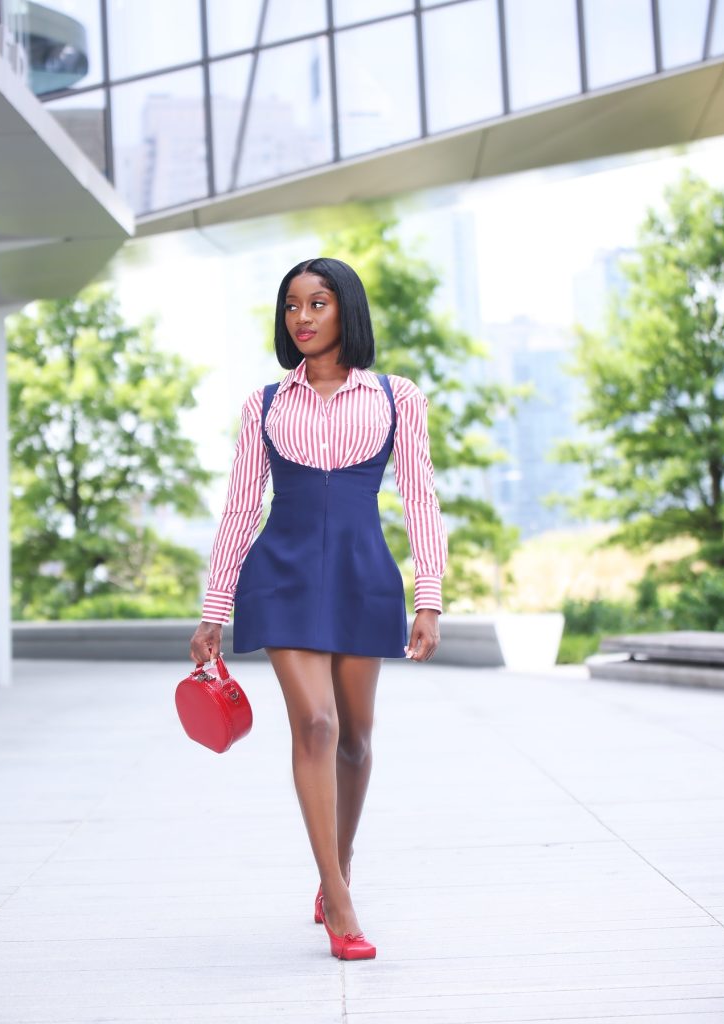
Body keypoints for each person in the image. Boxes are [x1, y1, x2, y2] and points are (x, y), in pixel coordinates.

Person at [190, 257, 447, 960]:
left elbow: (420, 497)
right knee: (317, 723)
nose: (301, 318)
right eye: (291, 307)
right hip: (282, 574)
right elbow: (242, 507)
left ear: (346, 312)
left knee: (357, 740)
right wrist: (214, 609)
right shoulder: (264, 405)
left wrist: (430, 597)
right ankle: (337, 896)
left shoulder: (397, 397)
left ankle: (342, 858)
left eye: (317, 304)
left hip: (365, 576)